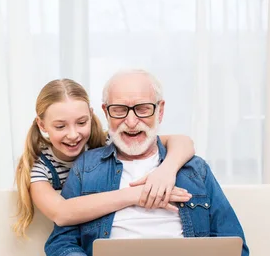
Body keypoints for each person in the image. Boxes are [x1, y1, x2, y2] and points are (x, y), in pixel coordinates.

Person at [38, 69, 263, 256]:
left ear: (160, 109)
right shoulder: (85, 168)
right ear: (105, 113)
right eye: (119, 110)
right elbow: (60, 242)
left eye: (143, 108)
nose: (132, 121)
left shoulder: (193, 170)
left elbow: (233, 241)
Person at [14, 78, 196, 237]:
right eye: (60, 127)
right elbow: (62, 213)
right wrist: (138, 194)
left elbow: (182, 141)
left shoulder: (106, 141)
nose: (73, 134)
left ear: (91, 115)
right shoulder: (37, 166)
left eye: (81, 122)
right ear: (42, 124)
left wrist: (166, 171)